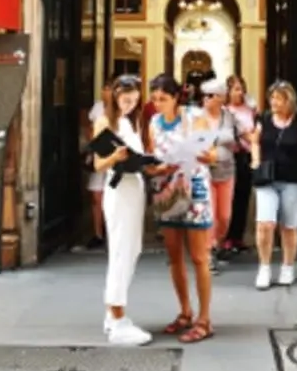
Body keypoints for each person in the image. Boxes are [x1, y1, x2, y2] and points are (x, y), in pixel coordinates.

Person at [92, 75, 172, 346]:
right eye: (126, 99)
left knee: (132, 249)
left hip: (135, 187)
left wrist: (156, 166)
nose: (130, 104)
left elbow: (140, 160)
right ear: (115, 96)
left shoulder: (131, 122)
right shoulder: (105, 121)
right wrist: (115, 157)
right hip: (119, 191)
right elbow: (98, 164)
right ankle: (117, 317)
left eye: (135, 100)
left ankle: (112, 313)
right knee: (121, 252)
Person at [145, 72, 216, 343]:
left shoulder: (194, 117)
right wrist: (155, 167)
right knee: (174, 256)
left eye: (163, 98)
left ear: (176, 98)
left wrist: (199, 154)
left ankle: (204, 318)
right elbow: (152, 160)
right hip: (167, 190)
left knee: (199, 256)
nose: (158, 103)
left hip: (193, 187)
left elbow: (211, 154)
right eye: (154, 99)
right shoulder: (153, 122)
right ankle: (185, 311)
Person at [250, 80, 297, 290]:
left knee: (289, 226)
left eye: (278, 98)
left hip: (294, 180)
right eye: (271, 98)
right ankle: (264, 267)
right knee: (265, 223)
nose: (274, 102)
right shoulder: (263, 118)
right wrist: (255, 160)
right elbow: (254, 140)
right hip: (267, 178)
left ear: (288, 100)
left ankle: (287, 266)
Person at [197, 76, 239, 273]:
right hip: (205, 170)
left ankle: (216, 243)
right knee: (210, 213)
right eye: (204, 95)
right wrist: (218, 138)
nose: (206, 99)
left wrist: (211, 138)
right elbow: (197, 140)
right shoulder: (198, 117)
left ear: (221, 97)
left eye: (210, 95)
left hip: (227, 170)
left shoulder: (228, 116)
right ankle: (208, 251)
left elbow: (231, 136)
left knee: (224, 216)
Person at [221, 75, 256, 256]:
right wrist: (244, 133)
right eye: (235, 89)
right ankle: (226, 237)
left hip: (247, 155)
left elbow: (255, 130)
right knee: (231, 198)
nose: (239, 92)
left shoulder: (249, 110)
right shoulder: (225, 111)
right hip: (231, 156)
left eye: (241, 88)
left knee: (244, 196)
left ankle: (238, 237)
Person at [80, 83, 112, 250]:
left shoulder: (123, 108)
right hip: (99, 155)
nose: (105, 92)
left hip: (115, 157)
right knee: (96, 196)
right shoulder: (98, 107)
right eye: (104, 88)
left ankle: (112, 231)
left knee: (113, 196)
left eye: (109, 88)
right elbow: (89, 127)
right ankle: (98, 233)